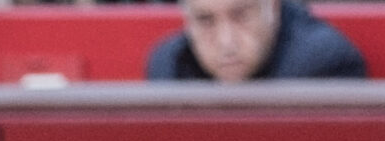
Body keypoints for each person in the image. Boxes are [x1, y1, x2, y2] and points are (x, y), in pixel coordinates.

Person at [147, 0, 367, 82]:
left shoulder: (322, 64)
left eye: (241, 16)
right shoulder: (170, 66)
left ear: (272, 8)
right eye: (206, 21)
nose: (227, 42)